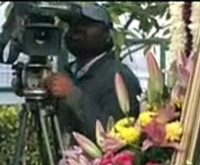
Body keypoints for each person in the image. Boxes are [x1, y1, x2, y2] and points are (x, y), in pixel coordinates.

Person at [47, 4, 142, 142]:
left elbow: (114, 136)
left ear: (107, 35)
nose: (76, 30)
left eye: (86, 25)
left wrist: (72, 94)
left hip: (97, 163)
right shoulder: (70, 73)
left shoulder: (118, 77)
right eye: (72, 25)